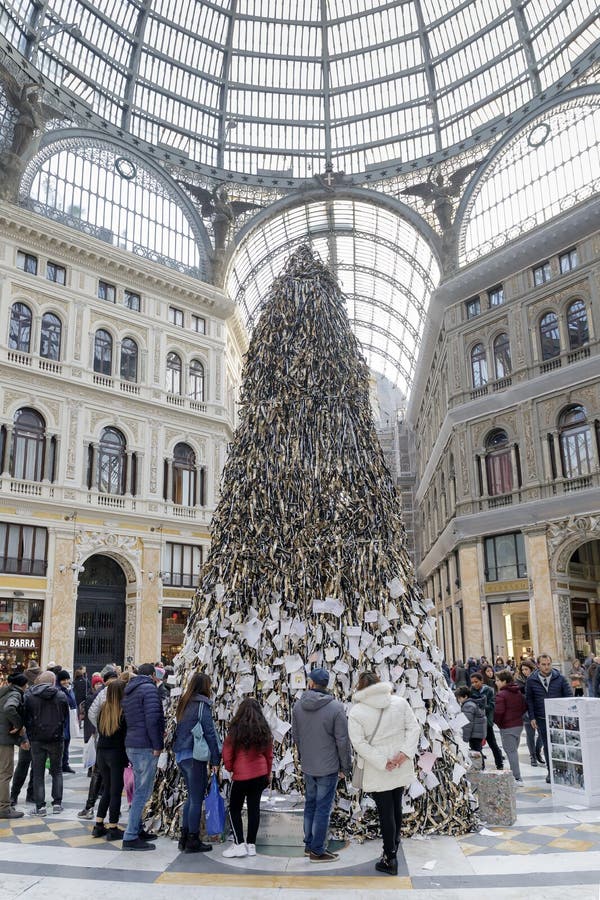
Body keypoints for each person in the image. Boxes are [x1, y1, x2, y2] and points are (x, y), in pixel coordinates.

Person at [347, 672, 419, 876]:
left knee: (385, 811)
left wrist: (382, 761)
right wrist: (404, 753)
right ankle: (393, 846)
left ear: (360, 687)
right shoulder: (399, 702)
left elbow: (358, 743)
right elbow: (413, 728)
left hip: (377, 769)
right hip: (400, 765)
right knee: (396, 806)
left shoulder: (357, 711)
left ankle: (390, 857)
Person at [292, 667, 352, 862]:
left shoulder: (298, 706)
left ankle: (309, 845)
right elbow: (342, 741)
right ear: (327, 685)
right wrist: (345, 767)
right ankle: (318, 850)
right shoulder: (335, 708)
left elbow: (296, 737)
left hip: (309, 765)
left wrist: (303, 757)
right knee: (322, 808)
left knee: (310, 804)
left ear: (310, 683)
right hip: (328, 767)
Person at [172, 672, 221, 853]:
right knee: (196, 798)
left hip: (181, 756)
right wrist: (216, 759)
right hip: (195, 756)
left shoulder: (184, 703)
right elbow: (209, 733)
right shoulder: (202, 705)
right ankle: (192, 839)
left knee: (191, 797)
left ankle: (184, 837)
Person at [120, 663, 165, 851]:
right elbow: (153, 718)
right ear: (153, 674)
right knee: (142, 792)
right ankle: (130, 836)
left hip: (132, 743)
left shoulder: (130, 690)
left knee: (140, 789)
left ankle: (137, 829)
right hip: (145, 745)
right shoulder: (149, 690)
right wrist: (157, 745)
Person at [222, 698, 273, 858]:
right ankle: (251, 845)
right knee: (254, 808)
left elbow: (227, 753)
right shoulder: (264, 730)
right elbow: (269, 755)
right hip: (260, 774)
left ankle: (239, 843)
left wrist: (230, 768)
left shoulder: (235, 730)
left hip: (242, 775)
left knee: (234, 808)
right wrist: (268, 773)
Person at [24, 671, 69, 815]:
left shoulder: (30, 696)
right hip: (56, 738)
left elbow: (26, 716)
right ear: (53, 681)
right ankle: (57, 804)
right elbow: (65, 716)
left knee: (38, 773)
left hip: (37, 739)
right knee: (57, 771)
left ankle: (40, 807)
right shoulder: (61, 696)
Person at [526, 653, 573, 783]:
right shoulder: (531, 680)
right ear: (538, 665)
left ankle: (563, 769)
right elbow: (529, 699)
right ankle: (550, 771)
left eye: (548, 664)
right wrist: (532, 717)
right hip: (541, 717)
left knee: (561, 744)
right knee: (547, 745)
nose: (547, 667)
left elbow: (569, 696)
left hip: (559, 718)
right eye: (543, 664)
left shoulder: (560, 678)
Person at [92, 679, 128, 841]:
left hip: (101, 752)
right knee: (115, 791)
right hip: (116, 753)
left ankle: (98, 825)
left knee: (107, 788)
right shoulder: (123, 711)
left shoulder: (102, 709)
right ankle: (113, 827)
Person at [0, 673, 29, 819]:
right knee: (5, 774)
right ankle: (4, 808)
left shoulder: (3, 691)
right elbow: (9, 709)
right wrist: (19, 725)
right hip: (4, 741)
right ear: (23, 685)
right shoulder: (15, 695)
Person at [77, 673, 105, 820]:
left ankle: (90, 807)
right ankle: (109, 811)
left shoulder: (101, 696)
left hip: (102, 739)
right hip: (110, 741)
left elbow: (92, 715)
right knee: (106, 775)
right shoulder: (117, 696)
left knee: (99, 773)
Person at [494, 671, 527, 784]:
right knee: (513, 750)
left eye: (498, 680)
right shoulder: (517, 692)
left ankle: (517, 777)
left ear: (504, 681)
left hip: (507, 726)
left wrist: (498, 722)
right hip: (518, 725)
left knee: (511, 752)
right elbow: (523, 707)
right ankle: (516, 776)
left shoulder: (501, 695)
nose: (496, 682)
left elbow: (499, 712)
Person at [470, 672, 503, 769]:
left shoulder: (489, 690)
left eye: (476, 682)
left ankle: (499, 764)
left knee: (492, 744)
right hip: (476, 723)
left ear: (481, 681)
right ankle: (480, 766)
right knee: (477, 747)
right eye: (472, 682)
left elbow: (492, 705)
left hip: (486, 722)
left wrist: (481, 707)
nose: (474, 684)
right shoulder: (471, 691)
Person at [515, 658, 544, 766]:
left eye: (526, 669)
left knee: (542, 734)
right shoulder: (519, 681)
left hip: (539, 710)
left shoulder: (538, 678)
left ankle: (537, 750)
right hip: (526, 712)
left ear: (532, 669)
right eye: (522, 670)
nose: (524, 672)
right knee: (530, 735)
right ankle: (532, 756)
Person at [455, 686, 487, 763]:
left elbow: (467, 725)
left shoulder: (468, 706)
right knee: (478, 751)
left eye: (459, 698)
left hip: (474, 734)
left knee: (476, 753)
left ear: (465, 696)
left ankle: (480, 769)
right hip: (477, 733)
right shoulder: (472, 703)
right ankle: (481, 767)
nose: (459, 700)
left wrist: (465, 739)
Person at [57, 670, 77, 773]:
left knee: (67, 743)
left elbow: (73, 702)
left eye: (67, 679)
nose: (65, 681)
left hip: (70, 720)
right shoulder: (58, 691)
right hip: (62, 721)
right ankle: (58, 765)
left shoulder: (70, 689)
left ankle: (65, 764)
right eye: (63, 680)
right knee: (61, 745)